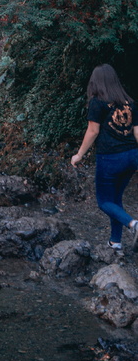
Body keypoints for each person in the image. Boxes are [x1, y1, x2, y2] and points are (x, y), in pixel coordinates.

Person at [71, 64, 138, 251]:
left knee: (103, 201)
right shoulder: (129, 103)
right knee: (115, 200)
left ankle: (134, 225)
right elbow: (137, 133)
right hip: (132, 156)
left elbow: (93, 131)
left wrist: (79, 155)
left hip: (110, 158)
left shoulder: (97, 102)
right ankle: (115, 242)